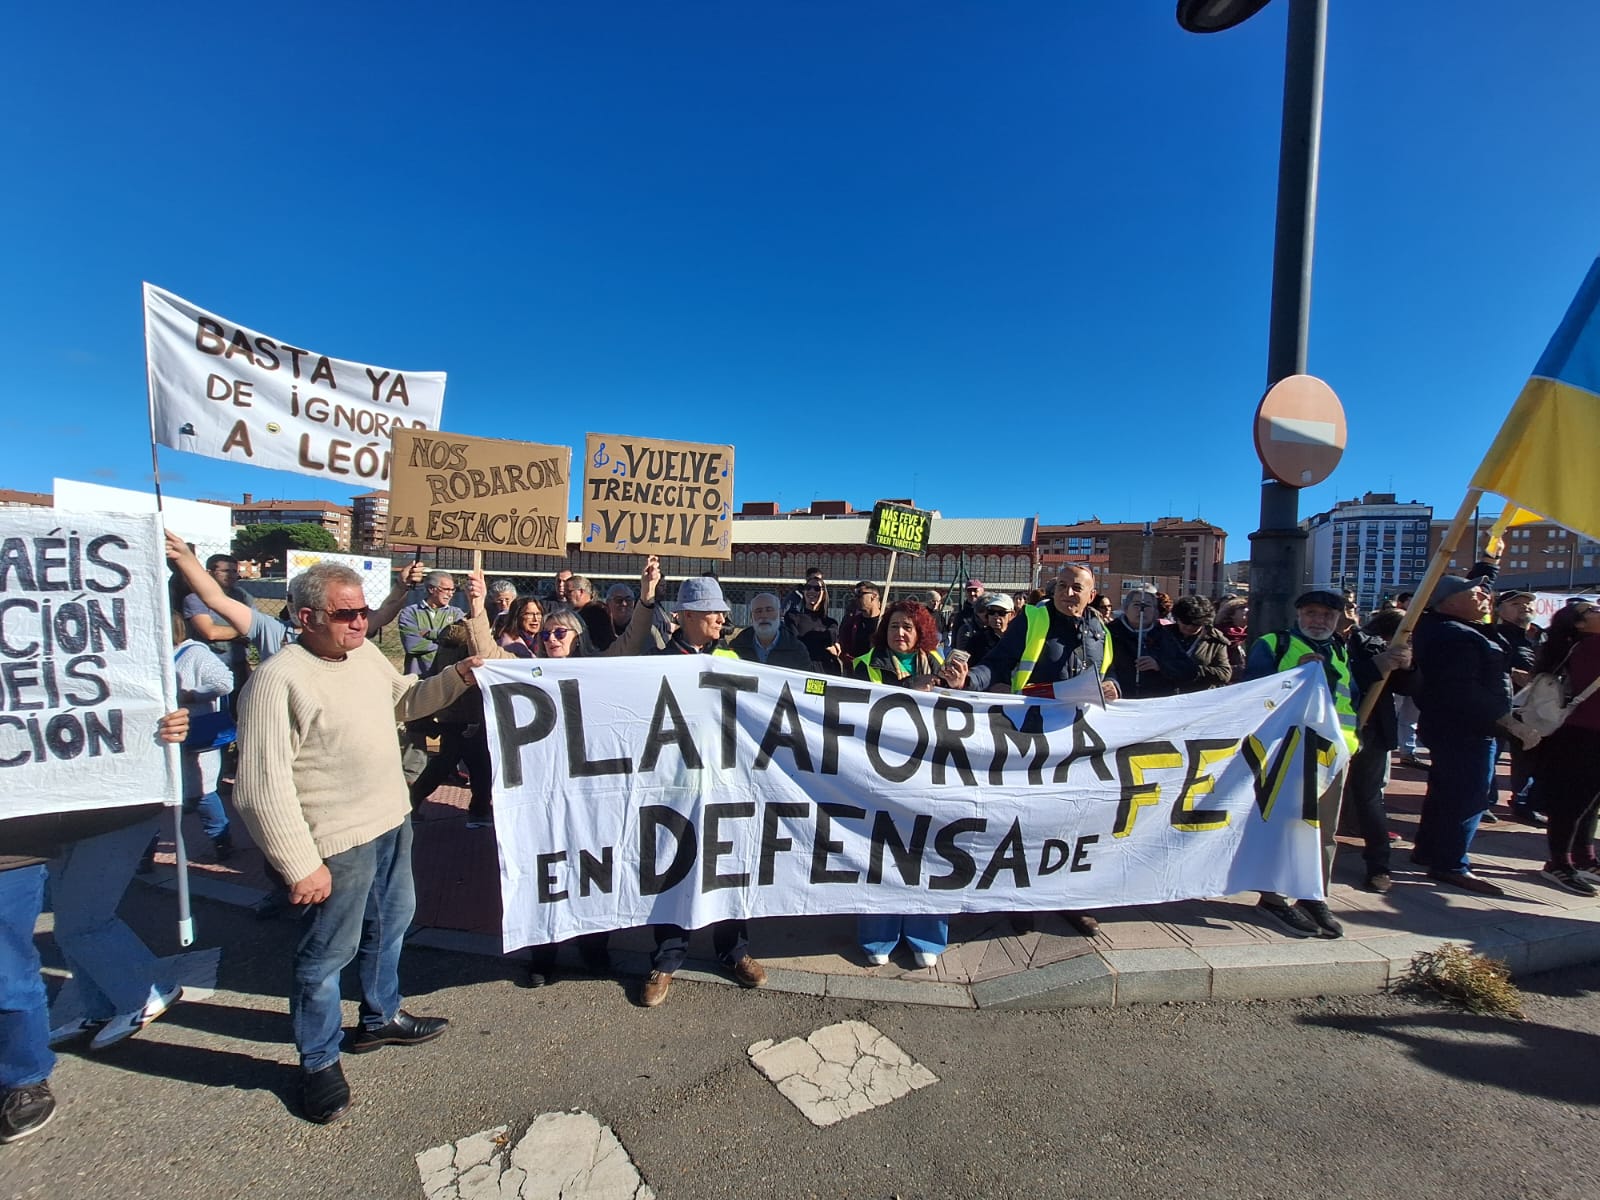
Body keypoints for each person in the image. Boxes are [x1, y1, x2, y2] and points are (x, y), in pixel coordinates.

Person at [233, 562, 475, 1124]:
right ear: (306, 616)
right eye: (348, 613)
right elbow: (259, 787)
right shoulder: (277, 680)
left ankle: (379, 1016)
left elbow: (406, 701)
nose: (362, 622)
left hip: (391, 820)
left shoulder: (363, 655)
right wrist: (298, 864)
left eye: (364, 611)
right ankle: (316, 1060)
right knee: (326, 955)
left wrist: (458, 675)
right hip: (335, 842)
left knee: (392, 923)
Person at [1, 709, 190, 1144]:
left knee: (84, 922)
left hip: (115, 814)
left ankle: (147, 991)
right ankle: (97, 1008)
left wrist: (163, 726)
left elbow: (132, 701)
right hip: (57, 816)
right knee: (70, 922)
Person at [940, 563, 1113, 936]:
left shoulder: (1100, 629)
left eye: (1076, 588)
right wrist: (967, 680)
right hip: (1031, 737)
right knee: (1027, 820)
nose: (1068, 593)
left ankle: (1067, 900)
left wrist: (1113, 685)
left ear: (1091, 593)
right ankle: (1016, 897)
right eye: (1062, 586)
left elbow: (1110, 674)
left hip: (1077, 741)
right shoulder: (1033, 618)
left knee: (1071, 821)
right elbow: (997, 663)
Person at [642, 577, 768, 1007]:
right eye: (713, 611)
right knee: (673, 866)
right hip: (676, 783)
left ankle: (734, 950)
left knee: (728, 865)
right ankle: (667, 958)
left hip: (727, 780)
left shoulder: (734, 656)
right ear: (688, 616)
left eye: (722, 611)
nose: (722, 617)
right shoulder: (658, 660)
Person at [1242, 587, 1393, 936]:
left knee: (1324, 829)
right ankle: (1275, 898)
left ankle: (1312, 892)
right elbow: (1252, 691)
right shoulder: (1273, 644)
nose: (1318, 620)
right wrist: (1292, 674)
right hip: (1289, 752)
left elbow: (1349, 696)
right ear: (1298, 616)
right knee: (1284, 826)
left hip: (1333, 753)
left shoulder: (1339, 648)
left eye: (1326, 615)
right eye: (1311, 613)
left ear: (1338, 620)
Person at [1410, 575, 1540, 896]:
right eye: (1476, 591)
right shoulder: (1456, 635)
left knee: (1445, 791)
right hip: (1467, 728)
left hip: (1452, 726)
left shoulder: (1451, 628)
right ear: (1449, 600)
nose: (1485, 596)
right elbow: (1463, 690)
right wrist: (1508, 722)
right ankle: (1452, 863)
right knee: (1469, 796)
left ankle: (1429, 850)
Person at [849, 600, 950, 965]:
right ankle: (878, 935)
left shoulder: (939, 663)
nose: (900, 633)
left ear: (921, 632)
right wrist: (910, 686)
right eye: (894, 627)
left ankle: (927, 935)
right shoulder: (864, 665)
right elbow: (857, 709)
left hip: (929, 773)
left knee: (930, 852)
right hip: (881, 774)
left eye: (908, 627)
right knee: (880, 853)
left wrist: (957, 684)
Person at [1340, 609, 1416, 894]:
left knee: (1369, 798)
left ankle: (1379, 865)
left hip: (1371, 731)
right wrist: (1376, 665)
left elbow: (1409, 688)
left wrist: (1408, 667)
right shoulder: (1343, 643)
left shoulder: (1381, 645)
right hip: (1330, 728)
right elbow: (1338, 678)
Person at [1528, 602, 1600, 895]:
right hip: (1581, 734)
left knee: (1589, 801)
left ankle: (1585, 858)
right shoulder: (1590, 647)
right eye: (1593, 611)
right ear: (1579, 624)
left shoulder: (1580, 646)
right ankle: (1560, 863)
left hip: (1584, 732)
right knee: (1572, 803)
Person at [171, 611, 239, 861]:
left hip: (197, 734)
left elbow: (224, 682)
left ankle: (222, 841)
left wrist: (192, 695)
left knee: (202, 793)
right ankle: (145, 856)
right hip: (171, 736)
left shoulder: (195, 654)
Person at [1492, 590, 1545, 824]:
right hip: (1499, 706)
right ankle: (1484, 801)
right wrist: (1512, 674)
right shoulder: (1493, 635)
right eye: (1516, 603)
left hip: (1531, 708)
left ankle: (1522, 802)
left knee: (1527, 757)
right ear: (1500, 610)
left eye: (1528, 603)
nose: (1524, 607)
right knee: (1490, 755)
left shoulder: (1538, 637)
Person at [180, 552, 252, 693]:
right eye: (225, 571)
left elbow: (255, 623)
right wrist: (244, 629)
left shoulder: (242, 595)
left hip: (240, 664)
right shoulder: (195, 598)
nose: (231, 575)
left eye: (234, 571)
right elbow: (210, 632)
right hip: (211, 666)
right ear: (209, 572)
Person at [1108, 590, 1196, 698]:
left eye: (1147, 606)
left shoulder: (1164, 635)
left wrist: (1160, 665)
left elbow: (1189, 669)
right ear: (1126, 609)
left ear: (1155, 612)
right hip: (1121, 700)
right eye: (1136, 604)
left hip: (1157, 701)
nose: (1142, 609)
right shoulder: (1110, 633)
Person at [398, 571, 463, 676]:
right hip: (419, 678)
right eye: (446, 589)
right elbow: (412, 645)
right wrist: (447, 646)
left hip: (449, 677)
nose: (450, 594)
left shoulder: (456, 614)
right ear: (431, 589)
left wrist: (431, 634)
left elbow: (461, 640)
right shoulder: (410, 613)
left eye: (452, 590)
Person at [729, 592, 812, 668]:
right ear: (751, 617)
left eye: (769, 610)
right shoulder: (737, 647)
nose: (764, 615)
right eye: (758, 611)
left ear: (779, 614)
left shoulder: (797, 650)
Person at [1170, 596, 1234, 693]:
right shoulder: (1162, 634)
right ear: (1177, 619)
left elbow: (1224, 673)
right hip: (1165, 696)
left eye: (1196, 624)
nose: (1189, 627)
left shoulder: (1215, 640)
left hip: (1199, 696)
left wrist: (1191, 670)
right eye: (1185, 623)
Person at [783, 576, 843, 674]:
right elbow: (796, 645)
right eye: (808, 587)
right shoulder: (792, 617)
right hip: (801, 671)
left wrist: (811, 640)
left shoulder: (831, 623)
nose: (812, 591)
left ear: (824, 594)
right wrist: (824, 645)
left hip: (826, 672)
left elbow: (831, 636)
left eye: (817, 588)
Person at [566, 575, 615, 652]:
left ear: (581, 591)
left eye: (569, 592)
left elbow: (601, 641)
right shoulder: (583, 611)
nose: (565, 596)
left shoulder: (596, 611)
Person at [963, 593, 1014, 667]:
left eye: (1001, 613)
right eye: (992, 612)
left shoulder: (1018, 639)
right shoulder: (977, 640)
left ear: (1011, 615)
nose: (996, 616)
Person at [838, 581, 883, 661]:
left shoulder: (886, 622)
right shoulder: (851, 623)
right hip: (857, 670)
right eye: (855, 595)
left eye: (860, 594)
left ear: (873, 596)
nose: (856, 598)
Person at [950, 579, 987, 651]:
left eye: (975, 590)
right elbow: (955, 638)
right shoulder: (961, 616)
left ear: (982, 591)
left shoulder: (990, 612)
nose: (972, 593)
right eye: (969, 591)